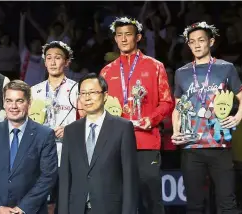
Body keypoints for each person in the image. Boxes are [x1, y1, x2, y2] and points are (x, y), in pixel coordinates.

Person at [171, 21, 242, 213]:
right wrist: (175, 131)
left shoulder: (226, 68)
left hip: (220, 145)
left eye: (201, 40)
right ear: (188, 45)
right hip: (191, 146)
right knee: (194, 205)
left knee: (227, 203)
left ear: (211, 41)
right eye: (191, 42)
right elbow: (177, 107)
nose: (196, 45)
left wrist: (237, 117)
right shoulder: (181, 73)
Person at [100, 16, 173, 214]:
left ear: (138, 37)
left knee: (151, 200)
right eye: (119, 35)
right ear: (115, 39)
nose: (123, 39)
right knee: (120, 200)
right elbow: (100, 108)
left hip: (146, 141)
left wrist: (152, 119)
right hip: (116, 144)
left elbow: (167, 102)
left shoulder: (155, 66)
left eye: (128, 35)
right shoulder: (107, 72)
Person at [58, 73, 138, 214]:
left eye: (92, 92)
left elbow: (129, 177)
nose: (87, 98)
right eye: (83, 93)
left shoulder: (122, 127)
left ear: (105, 95)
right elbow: (65, 178)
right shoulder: (71, 131)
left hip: (110, 209)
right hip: (77, 208)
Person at [0, 80, 58, 214]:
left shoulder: (44, 135)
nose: (13, 106)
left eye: (19, 101)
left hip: (30, 210)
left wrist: (23, 208)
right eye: (9, 101)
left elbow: (48, 176)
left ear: (29, 103)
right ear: (3, 103)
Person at [31, 40, 81, 211]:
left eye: (58, 58)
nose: (52, 62)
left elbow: (87, 120)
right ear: (44, 62)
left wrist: (70, 130)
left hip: (67, 154)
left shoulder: (77, 89)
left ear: (67, 62)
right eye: (49, 58)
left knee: (66, 201)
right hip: (41, 155)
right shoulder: (34, 91)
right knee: (45, 204)